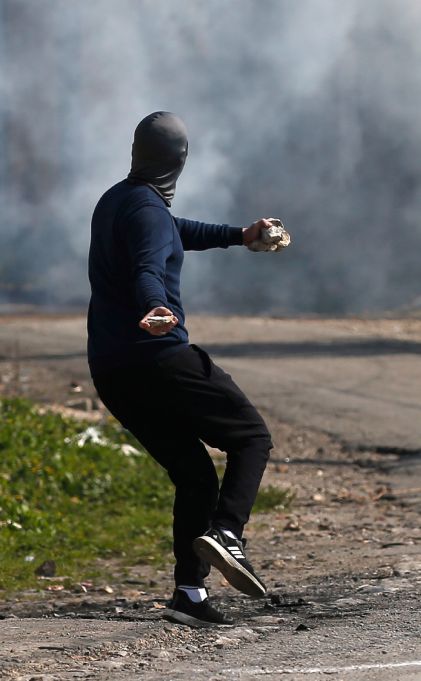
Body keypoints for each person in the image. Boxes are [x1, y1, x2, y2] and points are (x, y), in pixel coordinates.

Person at [88, 111, 277, 628]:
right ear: (181, 162)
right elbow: (151, 262)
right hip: (157, 357)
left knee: (194, 474)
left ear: (135, 152)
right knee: (252, 438)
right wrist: (153, 306)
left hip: (112, 370)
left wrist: (241, 235)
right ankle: (228, 535)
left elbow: (176, 232)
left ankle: (189, 596)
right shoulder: (148, 212)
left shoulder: (117, 200)